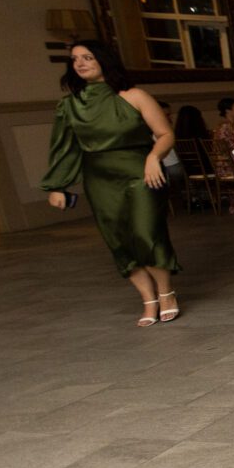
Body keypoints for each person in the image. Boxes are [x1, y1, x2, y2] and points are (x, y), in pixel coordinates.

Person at [41, 40, 181, 326]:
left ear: (104, 60)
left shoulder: (134, 96)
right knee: (117, 238)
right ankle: (148, 299)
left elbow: (166, 134)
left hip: (141, 173)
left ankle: (166, 293)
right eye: (75, 59)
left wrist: (154, 157)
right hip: (99, 179)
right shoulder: (69, 105)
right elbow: (65, 148)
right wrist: (57, 185)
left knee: (146, 234)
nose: (80, 63)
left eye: (87, 57)